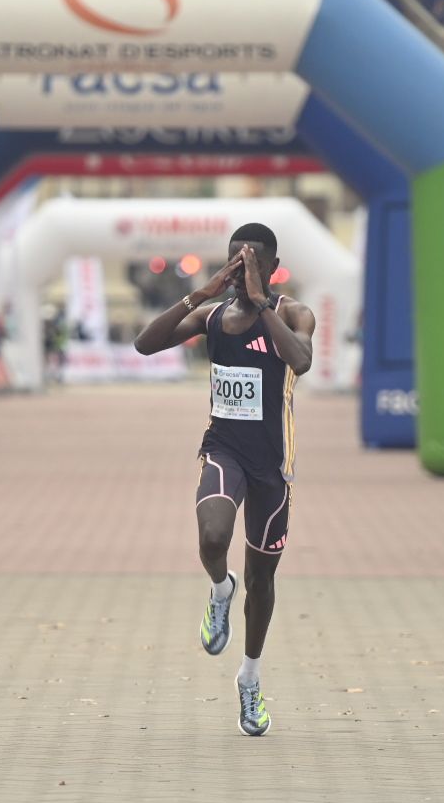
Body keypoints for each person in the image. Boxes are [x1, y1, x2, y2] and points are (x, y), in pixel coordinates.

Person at [133, 222, 316, 737]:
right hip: (224, 450)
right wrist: (201, 291)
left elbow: (300, 361)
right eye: (235, 259)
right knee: (213, 536)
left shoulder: (293, 313)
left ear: (272, 266)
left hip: (273, 466)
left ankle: (250, 677)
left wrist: (260, 302)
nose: (241, 269)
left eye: (252, 261)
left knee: (262, 581)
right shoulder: (211, 315)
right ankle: (219, 588)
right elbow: (145, 344)